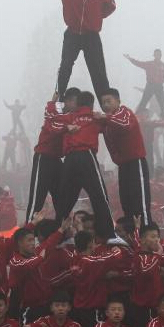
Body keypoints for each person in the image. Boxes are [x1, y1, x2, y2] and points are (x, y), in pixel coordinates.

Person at [51, 91, 119, 243]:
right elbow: (114, 122)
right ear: (91, 104)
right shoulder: (94, 117)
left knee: (65, 200)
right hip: (86, 156)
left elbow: (52, 121)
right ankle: (108, 235)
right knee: (99, 196)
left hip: (69, 160)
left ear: (77, 104)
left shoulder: (69, 117)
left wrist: (52, 103)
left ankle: (59, 235)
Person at [98, 87, 151, 225]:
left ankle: (145, 232)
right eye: (103, 103)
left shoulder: (124, 112)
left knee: (140, 202)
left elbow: (125, 125)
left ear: (118, 101)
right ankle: (132, 234)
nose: (105, 105)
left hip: (136, 162)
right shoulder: (106, 122)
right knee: (126, 201)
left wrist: (105, 117)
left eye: (108, 101)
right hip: (123, 165)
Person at [26, 89, 78, 222]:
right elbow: (53, 127)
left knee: (61, 196)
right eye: (75, 101)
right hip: (43, 157)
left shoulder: (73, 117)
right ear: (67, 101)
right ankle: (29, 230)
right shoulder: (54, 113)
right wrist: (53, 100)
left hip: (57, 160)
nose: (77, 105)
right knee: (38, 197)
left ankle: (62, 230)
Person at [126, 49, 164, 116]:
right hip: (150, 86)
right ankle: (138, 117)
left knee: (162, 105)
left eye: (159, 54)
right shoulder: (149, 64)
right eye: (156, 54)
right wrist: (130, 59)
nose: (157, 56)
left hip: (159, 87)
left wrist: (158, 75)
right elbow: (139, 63)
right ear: (154, 55)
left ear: (161, 55)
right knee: (143, 102)